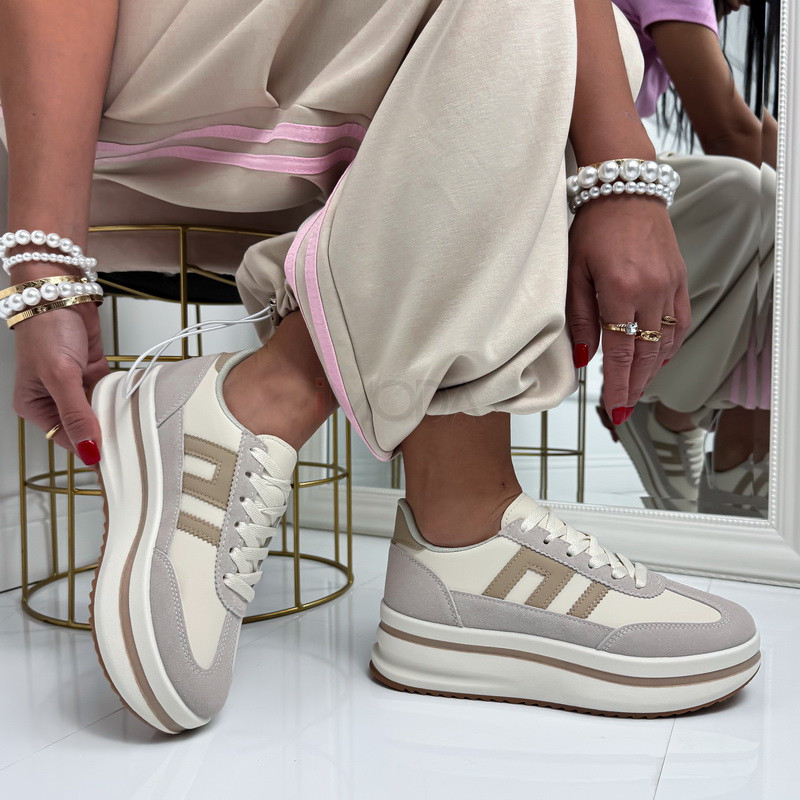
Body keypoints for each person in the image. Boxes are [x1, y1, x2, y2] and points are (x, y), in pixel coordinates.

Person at [0, 0, 760, 733]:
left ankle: (449, 534)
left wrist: (622, 177)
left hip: (309, 91)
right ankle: (300, 423)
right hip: (114, 88)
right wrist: (43, 266)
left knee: (588, 41)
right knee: (552, 25)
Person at [609, 0, 777, 515]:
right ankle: (708, 433)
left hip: (592, 176)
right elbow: (728, 132)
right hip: (582, 183)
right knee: (765, 200)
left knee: (771, 207)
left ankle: (690, 422)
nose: (744, 4)